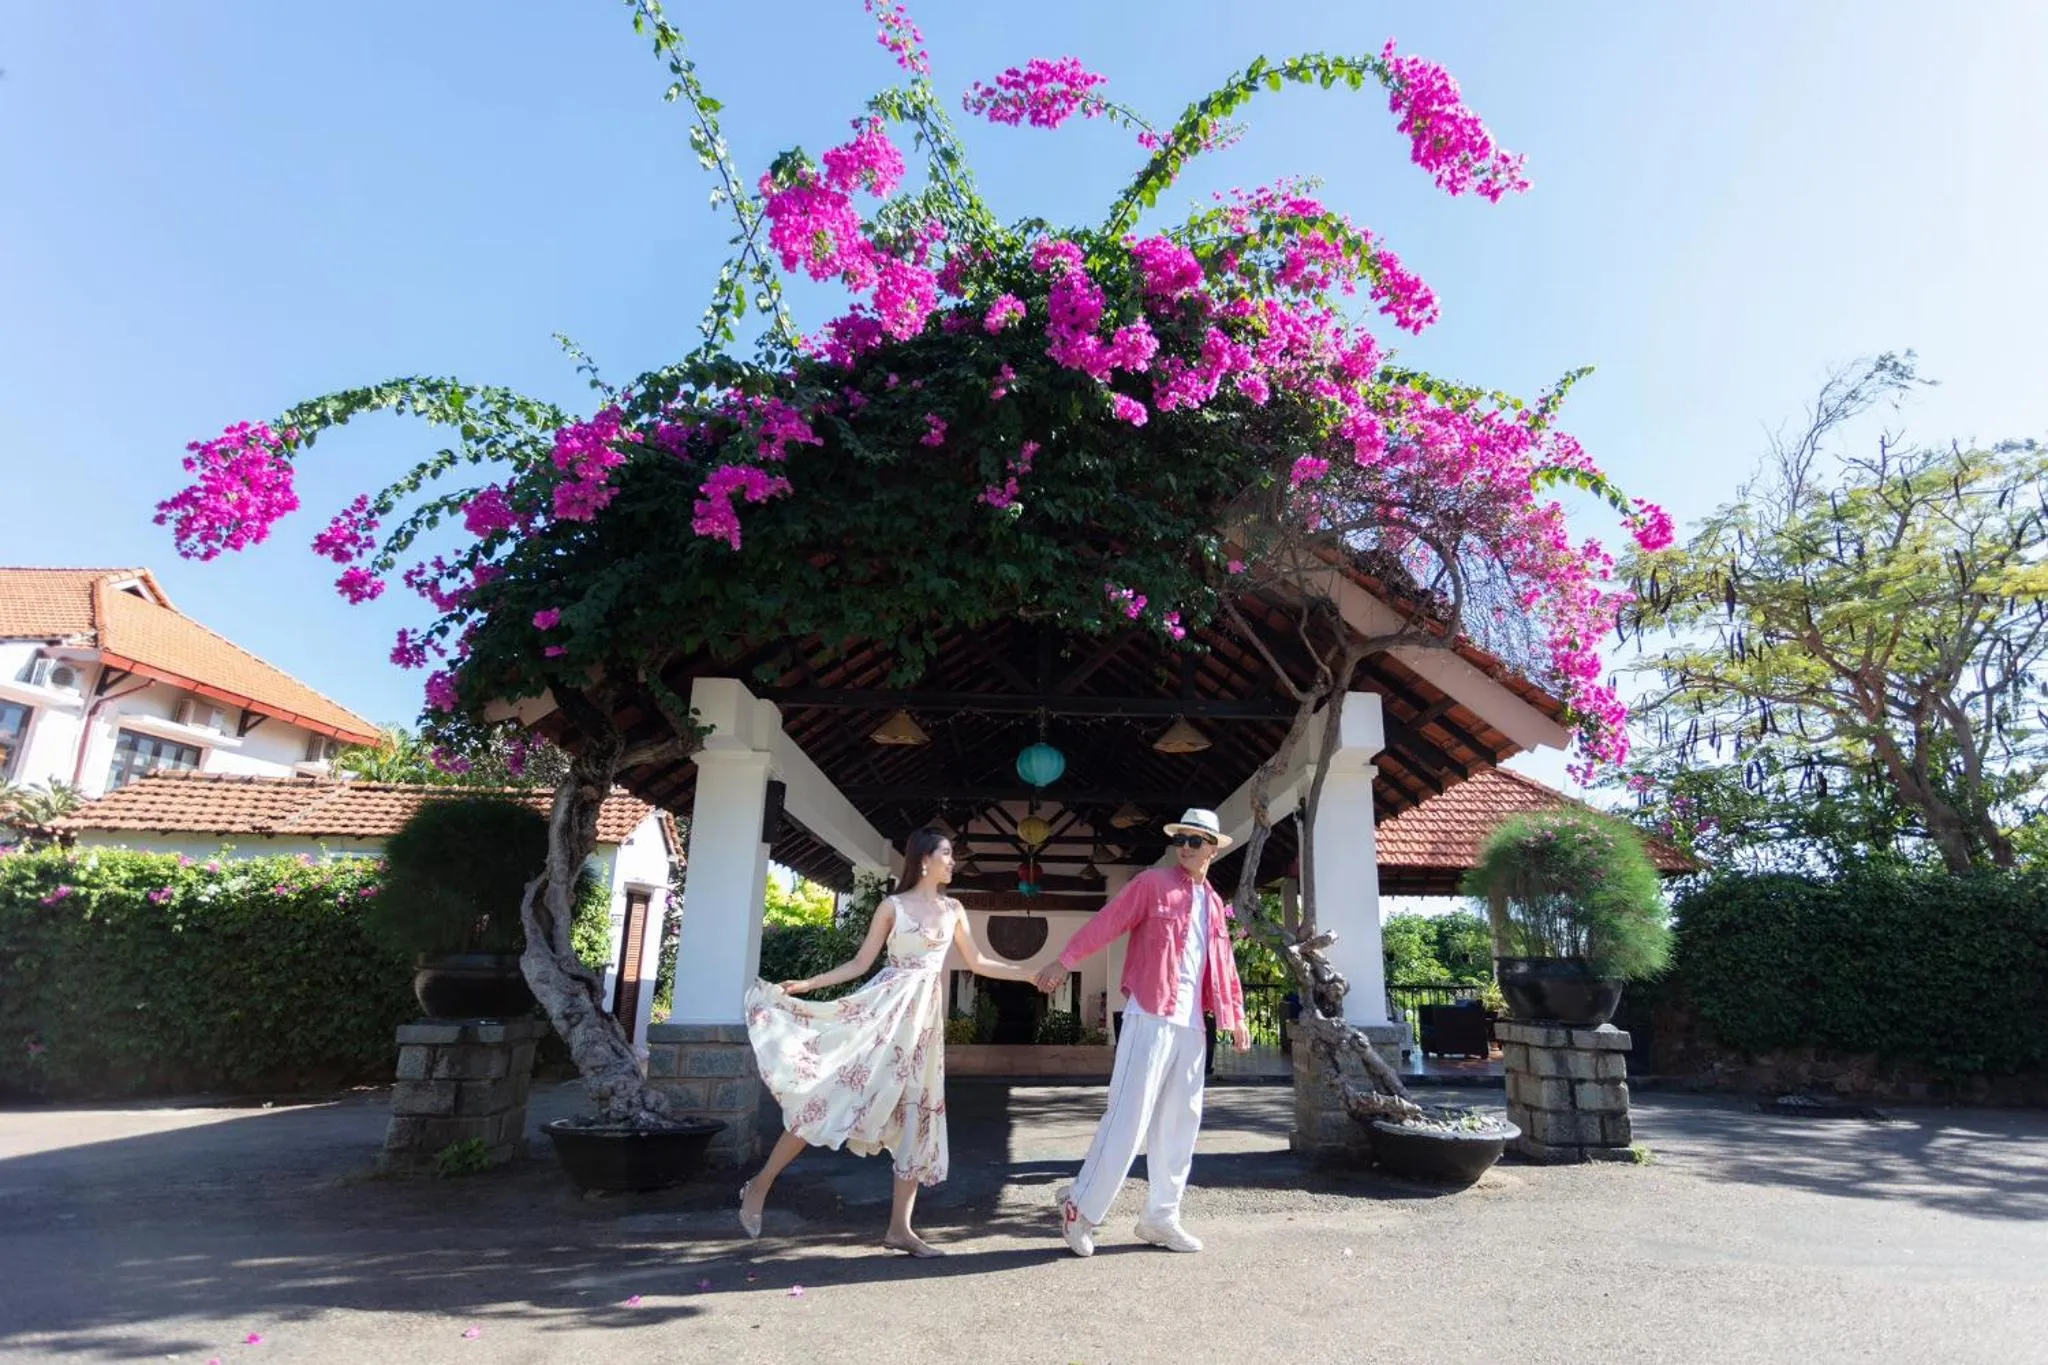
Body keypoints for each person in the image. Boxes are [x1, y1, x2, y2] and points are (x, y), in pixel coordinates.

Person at [739, 826, 1042, 1257]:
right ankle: (760, 1183)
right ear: (924, 860)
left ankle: (900, 1228)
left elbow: (978, 962)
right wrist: (809, 983)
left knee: (917, 1117)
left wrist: (1028, 974)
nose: (953, 862)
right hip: (883, 1016)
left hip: (922, 1029)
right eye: (947, 854)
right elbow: (859, 964)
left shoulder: (954, 908)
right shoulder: (892, 906)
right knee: (829, 1097)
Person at [1032, 807, 1250, 1257]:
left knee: (1180, 1124)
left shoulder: (1212, 902)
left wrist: (1237, 1015)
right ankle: (1082, 1209)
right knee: (1128, 1117)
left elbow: (1223, 964)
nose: (1186, 847)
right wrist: (1064, 960)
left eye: (1195, 840)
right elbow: (1108, 922)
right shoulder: (1152, 884)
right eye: (1181, 839)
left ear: (1213, 847)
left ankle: (1160, 1218)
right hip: (1149, 1015)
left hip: (1191, 1026)